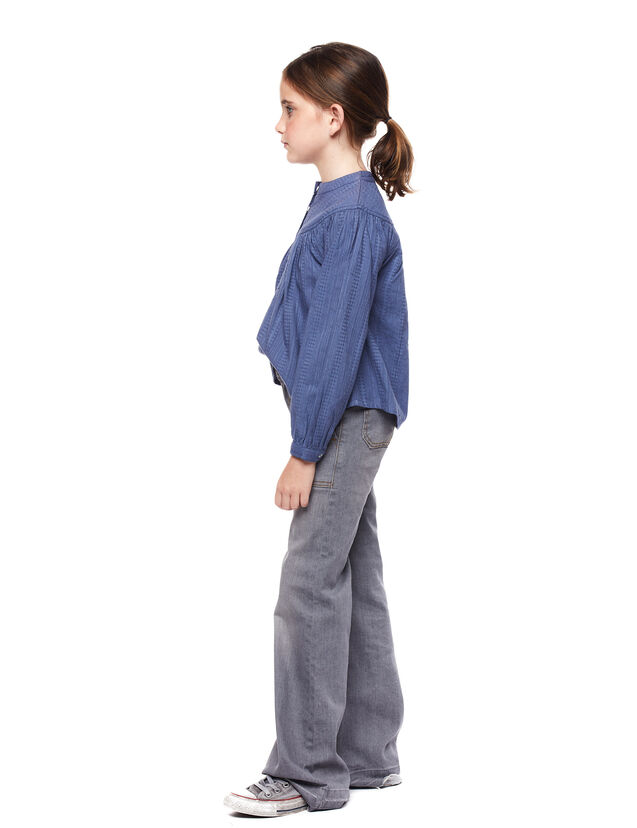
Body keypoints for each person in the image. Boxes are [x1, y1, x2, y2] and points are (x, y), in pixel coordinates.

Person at [224, 41, 415, 818]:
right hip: (348, 415)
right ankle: (366, 755)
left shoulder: (354, 217)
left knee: (307, 585)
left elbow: (335, 344)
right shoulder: (339, 204)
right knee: (350, 575)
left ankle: (307, 771)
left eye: (290, 109)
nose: (278, 124)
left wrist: (304, 451)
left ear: (333, 118)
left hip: (342, 420)